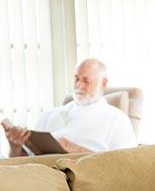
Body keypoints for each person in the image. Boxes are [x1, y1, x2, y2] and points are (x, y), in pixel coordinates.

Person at [1, 58, 136, 157]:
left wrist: (75, 150)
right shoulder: (49, 115)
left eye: (86, 80)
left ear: (103, 83)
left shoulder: (117, 119)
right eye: (76, 79)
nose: (79, 85)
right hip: (38, 176)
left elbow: (124, 166)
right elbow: (25, 164)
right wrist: (16, 147)